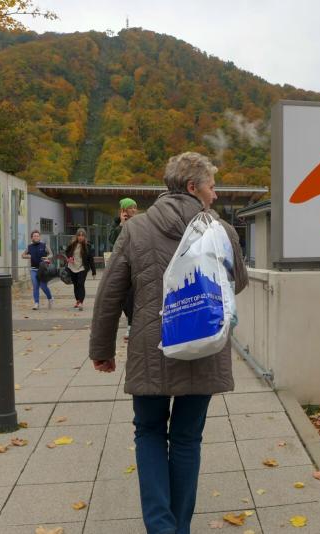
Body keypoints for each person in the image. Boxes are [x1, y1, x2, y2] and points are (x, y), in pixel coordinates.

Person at [89, 152, 248, 534]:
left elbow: (110, 294)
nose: (215, 194)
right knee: (187, 438)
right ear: (193, 187)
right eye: (211, 187)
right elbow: (239, 282)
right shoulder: (221, 230)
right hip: (204, 346)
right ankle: (180, 527)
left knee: (148, 432)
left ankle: (161, 527)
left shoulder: (136, 229)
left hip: (151, 346)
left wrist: (102, 350)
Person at [109, 197, 138, 340]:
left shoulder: (139, 223)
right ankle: (131, 321)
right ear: (124, 210)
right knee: (124, 297)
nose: (134, 210)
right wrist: (122, 224)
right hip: (121, 265)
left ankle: (131, 325)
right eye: (131, 207)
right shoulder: (117, 224)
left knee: (132, 295)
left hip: (136, 263)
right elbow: (113, 241)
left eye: (135, 207)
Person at [21, 229, 53, 310]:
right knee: (35, 285)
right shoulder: (29, 247)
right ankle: (36, 303)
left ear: (40, 237)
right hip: (33, 269)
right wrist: (28, 256)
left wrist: (47, 257)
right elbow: (23, 255)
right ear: (32, 237)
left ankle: (50, 298)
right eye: (34, 236)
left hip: (43, 269)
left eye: (37, 236)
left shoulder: (44, 245)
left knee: (43, 286)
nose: (36, 237)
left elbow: (51, 254)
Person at [65, 228, 96, 311]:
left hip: (82, 268)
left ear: (85, 237)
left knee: (81, 284)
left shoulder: (88, 246)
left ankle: (81, 302)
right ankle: (78, 300)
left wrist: (93, 271)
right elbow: (67, 252)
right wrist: (69, 257)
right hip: (72, 267)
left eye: (82, 235)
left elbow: (91, 259)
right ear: (77, 236)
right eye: (79, 235)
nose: (80, 237)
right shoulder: (72, 244)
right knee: (75, 285)